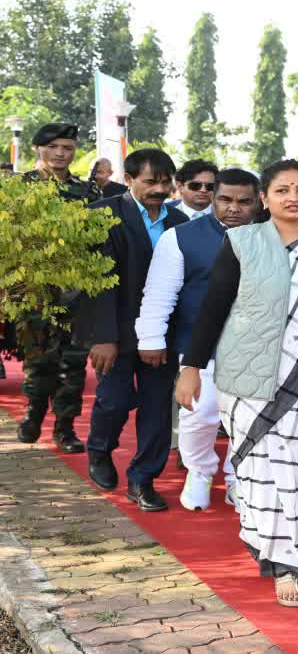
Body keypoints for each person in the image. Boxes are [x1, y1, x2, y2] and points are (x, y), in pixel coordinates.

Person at [175, 159, 298, 608]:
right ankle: (286, 564)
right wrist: (191, 367)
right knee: (270, 469)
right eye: (282, 190)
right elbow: (213, 308)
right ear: (265, 198)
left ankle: (290, 544)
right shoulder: (242, 242)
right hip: (251, 378)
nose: (292, 198)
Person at [135, 168, 261, 511]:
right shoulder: (181, 237)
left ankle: (239, 479)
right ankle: (200, 471)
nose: (234, 208)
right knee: (200, 414)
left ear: (258, 201)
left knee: (248, 420)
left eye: (243, 201)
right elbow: (160, 293)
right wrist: (150, 338)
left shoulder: (273, 236)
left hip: (258, 348)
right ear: (213, 198)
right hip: (199, 347)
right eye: (225, 199)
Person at [77, 149, 189, 510]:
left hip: (165, 335)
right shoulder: (102, 215)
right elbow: (98, 283)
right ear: (129, 180)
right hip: (117, 332)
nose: (159, 188)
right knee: (114, 401)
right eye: (150, 181)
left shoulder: (179, 220)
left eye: (164, 181)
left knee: (157, 409)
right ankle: (100, 451)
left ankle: (142, 479)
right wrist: (104, 337)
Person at [15, 123, 102, 453]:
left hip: (76, 292)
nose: (61, 153)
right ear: (40, 148)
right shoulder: (21, 188)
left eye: (67, 147)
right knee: (38, 359)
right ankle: (33, 414)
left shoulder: (87, 192)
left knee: (73, 364)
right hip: (35, 291)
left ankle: (64, 429)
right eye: (54, 147)